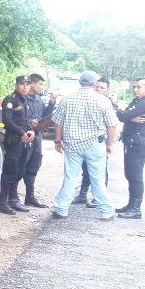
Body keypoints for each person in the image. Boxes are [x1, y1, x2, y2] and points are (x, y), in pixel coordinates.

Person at [50, 70, 119, 220]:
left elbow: (58, 123)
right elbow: (112, 126)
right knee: (97, 180)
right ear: (95, 84)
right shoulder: (102, 100)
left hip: (72, 145)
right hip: (95, 145)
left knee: (70, 178)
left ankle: (61, 210)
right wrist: (110, 144)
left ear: (80, 82)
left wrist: (57, 140)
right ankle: (106, 212)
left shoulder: (67, 99)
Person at [115, 77, 145, 219]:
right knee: (130, 175)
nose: (135, 89)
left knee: (136, 177)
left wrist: (126, 116)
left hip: (138, 145)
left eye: (139, 87)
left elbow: (123, 115)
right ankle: (131, 205)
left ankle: (136, 209)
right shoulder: (137, 101)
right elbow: (123, 115)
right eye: (134, 87)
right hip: (130, 144)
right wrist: (127, 117)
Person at [72, 76, 116, 207]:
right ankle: (82, 194)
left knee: (100, 171)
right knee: (85, 169)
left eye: (102, 88)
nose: (98, 89)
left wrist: (109, 143)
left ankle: (98, 198)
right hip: (83, 141)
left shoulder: (106, 103)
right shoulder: (86, 99)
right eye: (97, 86)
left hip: (99, 142)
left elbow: (112, 126)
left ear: (107, 90)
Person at [0, 75, 36, 215]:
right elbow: (6, 120)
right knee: (9, 171)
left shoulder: (24, 100)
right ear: (16, 85)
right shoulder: (10, 99)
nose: (25, 87)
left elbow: (26, 120)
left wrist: (30, 131)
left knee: (19, 171)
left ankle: (13, 200)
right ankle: (3, 203)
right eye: (22, 84)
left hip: (24, 140)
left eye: (27, 84)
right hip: (14, 140)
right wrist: (21, 132)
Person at [22, 73, 55, 208]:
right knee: (20, 166)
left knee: (34, 165)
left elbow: (44, 115)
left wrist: (52, 103)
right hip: (25, 136)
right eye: (40, 84)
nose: (41, 87)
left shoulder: (38, 99)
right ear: (32, 84)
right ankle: (11, 198)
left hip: (38, 136)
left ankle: (30, 197)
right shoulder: (22, 99)